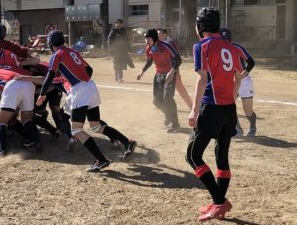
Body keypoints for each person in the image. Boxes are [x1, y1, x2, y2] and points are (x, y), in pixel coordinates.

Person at [36, 30, 137, 172]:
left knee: (76, 130)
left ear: (50, 44)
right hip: (90, 85)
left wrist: (42, 94)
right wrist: (82, 79)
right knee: (96, 126)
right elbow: (89, 69)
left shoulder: (57, 54)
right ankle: (127, 142)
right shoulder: (73, 52)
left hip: (80, 89)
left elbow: (49, 76)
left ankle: (101, 160)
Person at [186, 8, 245, 222]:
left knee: (192, 155)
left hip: (211, 107)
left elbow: (202, 79)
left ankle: (219, 201)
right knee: (222, 156)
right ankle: (218, 202)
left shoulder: (201, 46)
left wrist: (193, 109)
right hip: (229, 108)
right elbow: (239, 77)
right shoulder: (230, 46)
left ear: (200, 27)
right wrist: (232, 97)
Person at [137, 28, 181, 132]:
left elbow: (178, 59)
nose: (146, 41)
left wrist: (172, 72)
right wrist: (142, 72)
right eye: (145, 38)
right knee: (156, 101)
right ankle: (169, 116)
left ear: (155, 38)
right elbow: (149, 61)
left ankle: (174, 124)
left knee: (168, 99)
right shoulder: (149, 48)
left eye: (148, 38)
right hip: (158, 76)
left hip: (169, 75)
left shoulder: (166, 46)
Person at [221, 29, 257, 137]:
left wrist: (242, 75)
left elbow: (251, 62)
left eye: (226, 40)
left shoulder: (237, 47)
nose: (225, 42)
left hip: (244, 81)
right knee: (229, 107)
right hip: (230, 82)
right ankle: (238, 129)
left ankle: (252, 126)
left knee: (248, 110)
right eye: (222, 40)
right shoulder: (218, 49)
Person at [157, 28, 193, 108]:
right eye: (157, 35)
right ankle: (159, 103)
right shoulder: (161, 43)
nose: (158, 36)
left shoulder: (170, 43)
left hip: (172, 70)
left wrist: (174, 71)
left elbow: (176, 58)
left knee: (180, 88)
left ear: (165, 35)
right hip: (164, 70)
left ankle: (191, 105)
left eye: (160, 34)